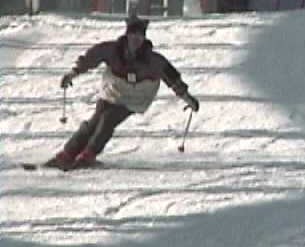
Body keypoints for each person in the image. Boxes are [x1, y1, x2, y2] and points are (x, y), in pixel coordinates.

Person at [45, 16, 200, 170]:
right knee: (95, 121)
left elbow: (173, 79)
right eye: (133, 34)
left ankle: (88, 154)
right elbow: (91, 58)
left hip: (135, 99)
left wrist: (188, 99)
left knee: (108, 118)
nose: (136, 39)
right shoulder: (113, 50)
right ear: (127, 35)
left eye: (140, 35)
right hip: (113, 91)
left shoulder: (153, 61)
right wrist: (72, 74)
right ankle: (67, 154)